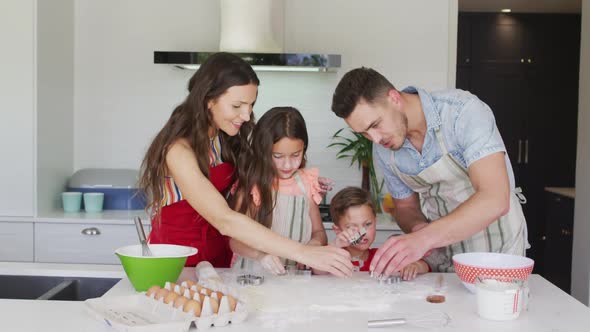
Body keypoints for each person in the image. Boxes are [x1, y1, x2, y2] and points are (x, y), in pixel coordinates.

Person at [139, 52, 352, 276]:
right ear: (209, 100)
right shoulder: (178, 151)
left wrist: (300, 180)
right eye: (237, 105)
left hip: (218, 257)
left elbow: (261, 171)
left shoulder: (224, 137)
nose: (247, 115)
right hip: (176, 260)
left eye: (251, 105)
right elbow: (225, 219)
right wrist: (303, 252)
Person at [330, 67, 528, 276]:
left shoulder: (462, 112)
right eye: (365, 134)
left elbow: (494, 198)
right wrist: (417, 228)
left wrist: (424, 239)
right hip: (442, 257)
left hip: (498, 252)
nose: (376, 139)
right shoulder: (384, 150)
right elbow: (405, 207)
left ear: (394, 98)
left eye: (376, 125)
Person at [229, 107, 328, 275]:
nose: (288, 165)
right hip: (253, 275)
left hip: (295, 278)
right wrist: (261, 255)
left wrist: (314, 246)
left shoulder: (307, 183)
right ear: (263, 151)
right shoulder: (253, 187)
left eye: (296, 155)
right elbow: (235, 242)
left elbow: (319, 232)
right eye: (278, 156)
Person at [328, 187, 431, 280]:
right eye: (351, 227)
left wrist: (414, 266)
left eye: (367, 224)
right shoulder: (334, 257)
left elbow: (426, 267)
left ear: (375, 222)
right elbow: (317, 270)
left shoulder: (382, 257)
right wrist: (335, 246)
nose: (361, 232)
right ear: (338, 230)